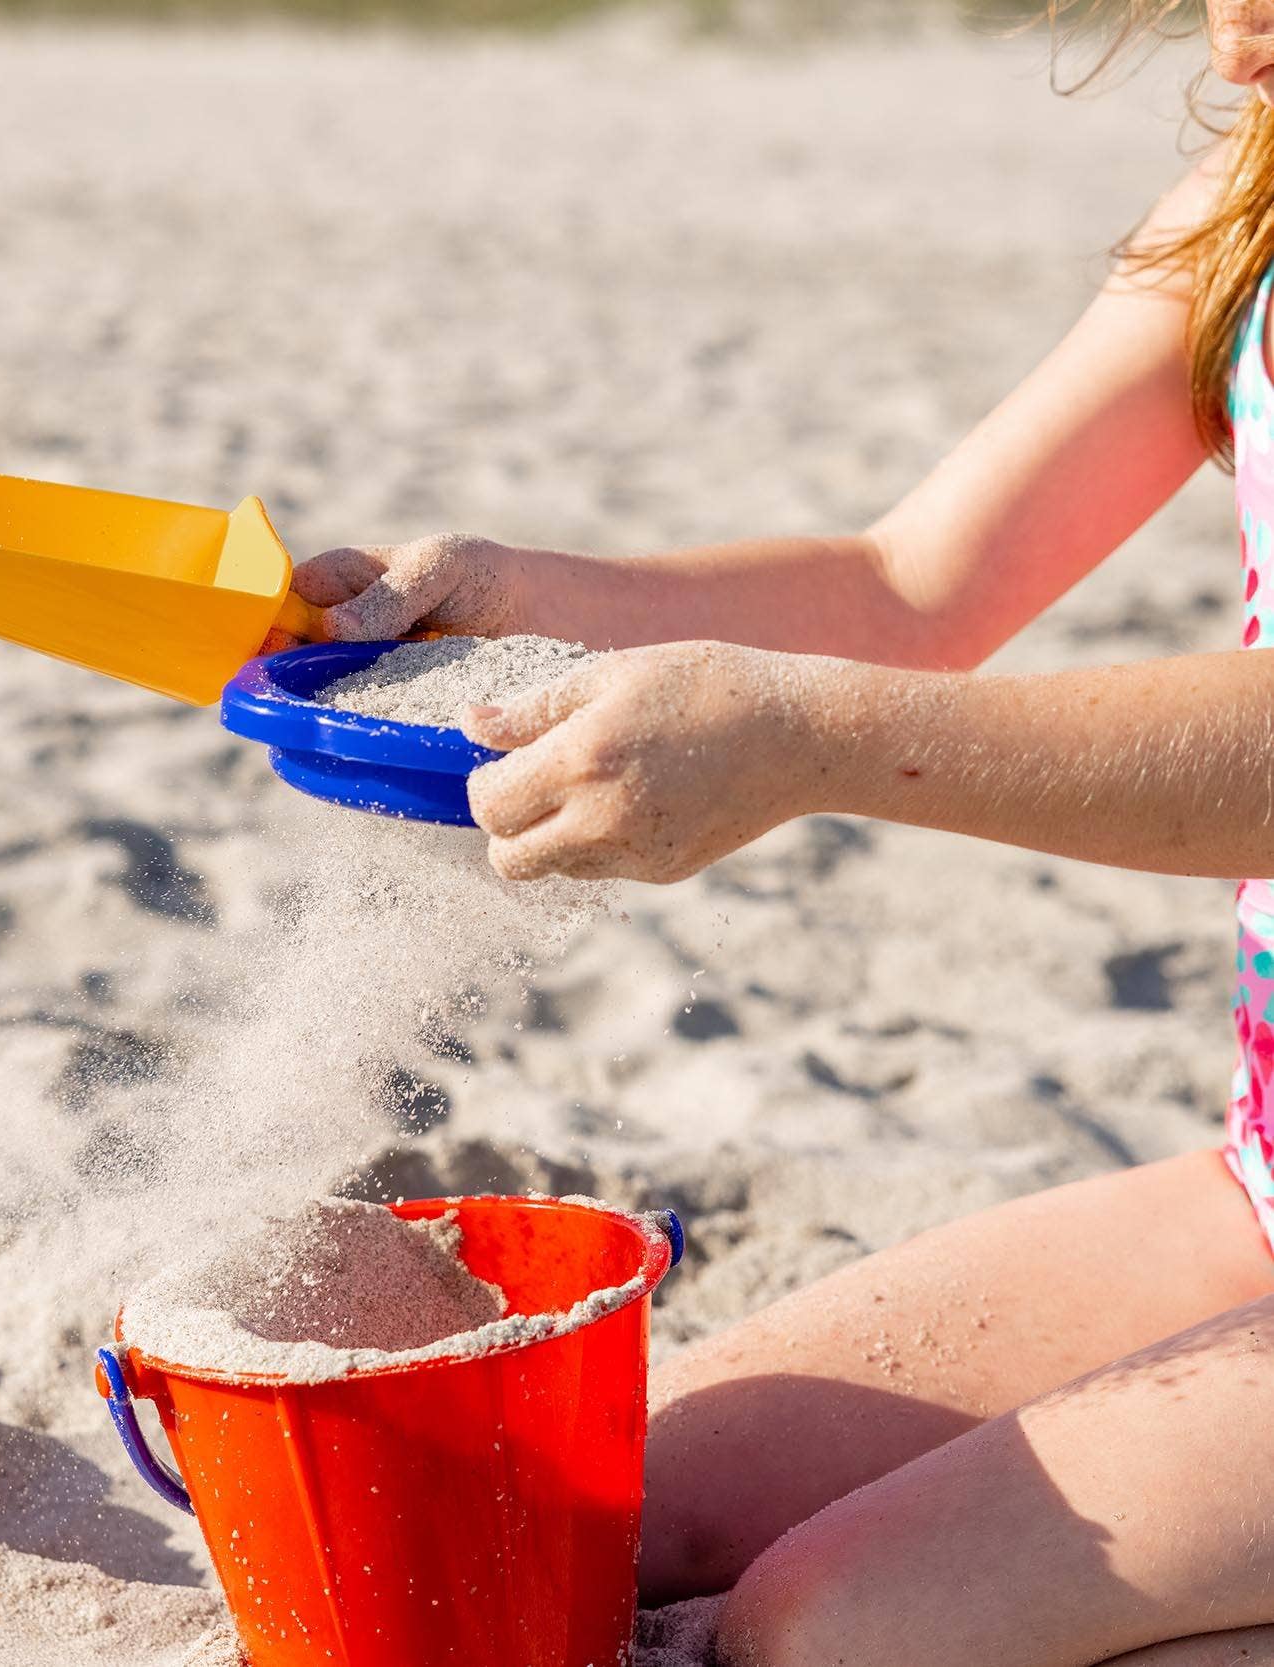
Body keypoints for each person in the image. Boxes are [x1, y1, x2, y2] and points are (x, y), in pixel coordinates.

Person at [289, 4, 1274, 1661]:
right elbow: (909, 586)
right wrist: (514, 607)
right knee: (592, 1520)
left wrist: (811, 741)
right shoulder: (1248, 199)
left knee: (833, 1630)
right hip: (1260, 1185)